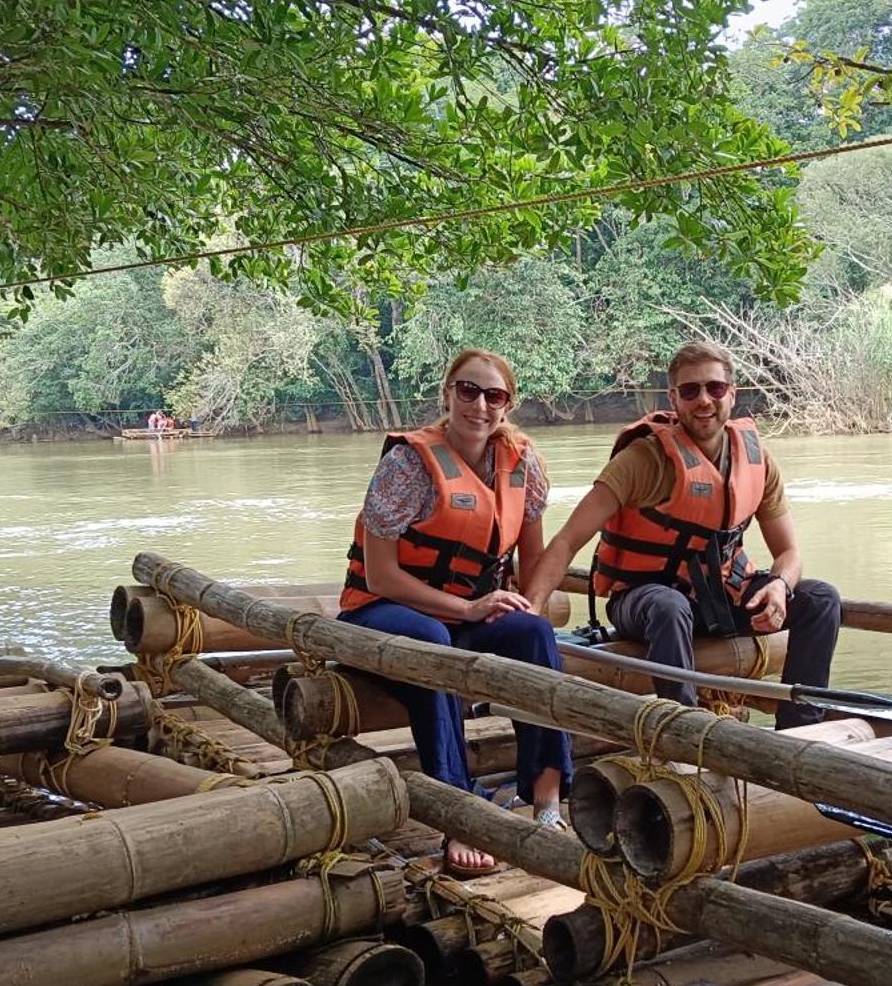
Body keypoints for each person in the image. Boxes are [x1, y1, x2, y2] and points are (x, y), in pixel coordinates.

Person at [522, 339, 841, 729]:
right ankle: (687, 731)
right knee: (669, 605)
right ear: (674, 398)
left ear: (732, 394)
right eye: (690, 391)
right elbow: (568, 540)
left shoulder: (757, 459)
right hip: (644, 603)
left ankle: (800, 726)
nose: (704, 400)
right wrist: (532, 614)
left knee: (821, 598)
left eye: (715, 388)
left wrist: (778, 586)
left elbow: (789, 551)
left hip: (718, 599)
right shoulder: (644, 460)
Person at [337, 348, 573, 875]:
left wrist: (518, 610)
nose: (480, 405)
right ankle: (458, 813)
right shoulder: (408, 465)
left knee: (535, 633)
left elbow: (531, 565)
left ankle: (548, 798)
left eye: (495, 395)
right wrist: (468, 608)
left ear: (508, 404)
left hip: (466, 615)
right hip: (384, 611)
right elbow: (381, 576)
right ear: (447, 393)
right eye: (468, 391)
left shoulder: (522, 463)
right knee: (431, 640)